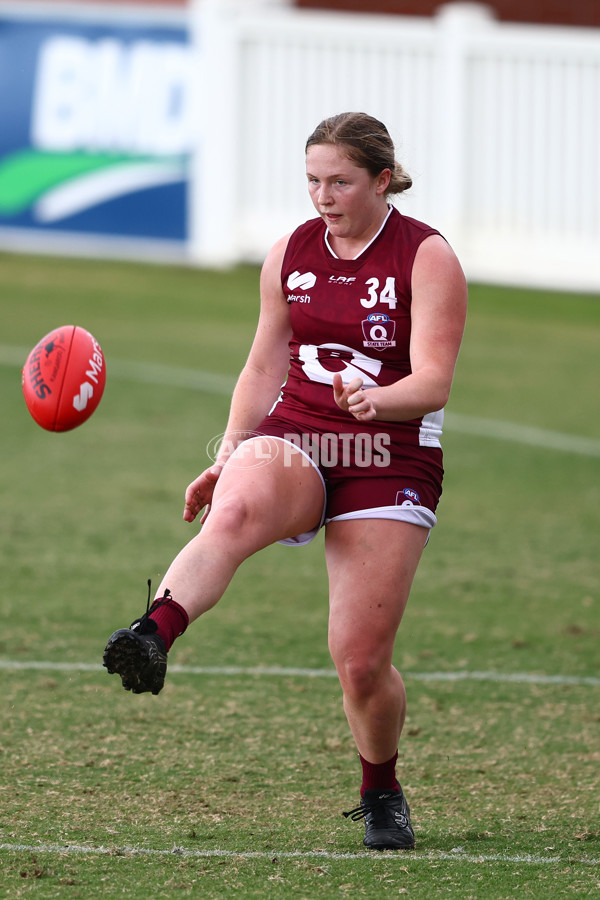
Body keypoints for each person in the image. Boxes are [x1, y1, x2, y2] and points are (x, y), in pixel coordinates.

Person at [103, 111, 468, 851]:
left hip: (389, 454)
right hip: (299, 430)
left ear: (383, 179)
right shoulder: (291, 254)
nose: (323, 196)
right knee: (233, 508)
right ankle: (153, 631)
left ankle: (382, 790)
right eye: (312, 180)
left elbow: (433, 381)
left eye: (339, 181)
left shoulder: (425, 256)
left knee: (360, 660)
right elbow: (264, 364)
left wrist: (378, 400)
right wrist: (230, 450)